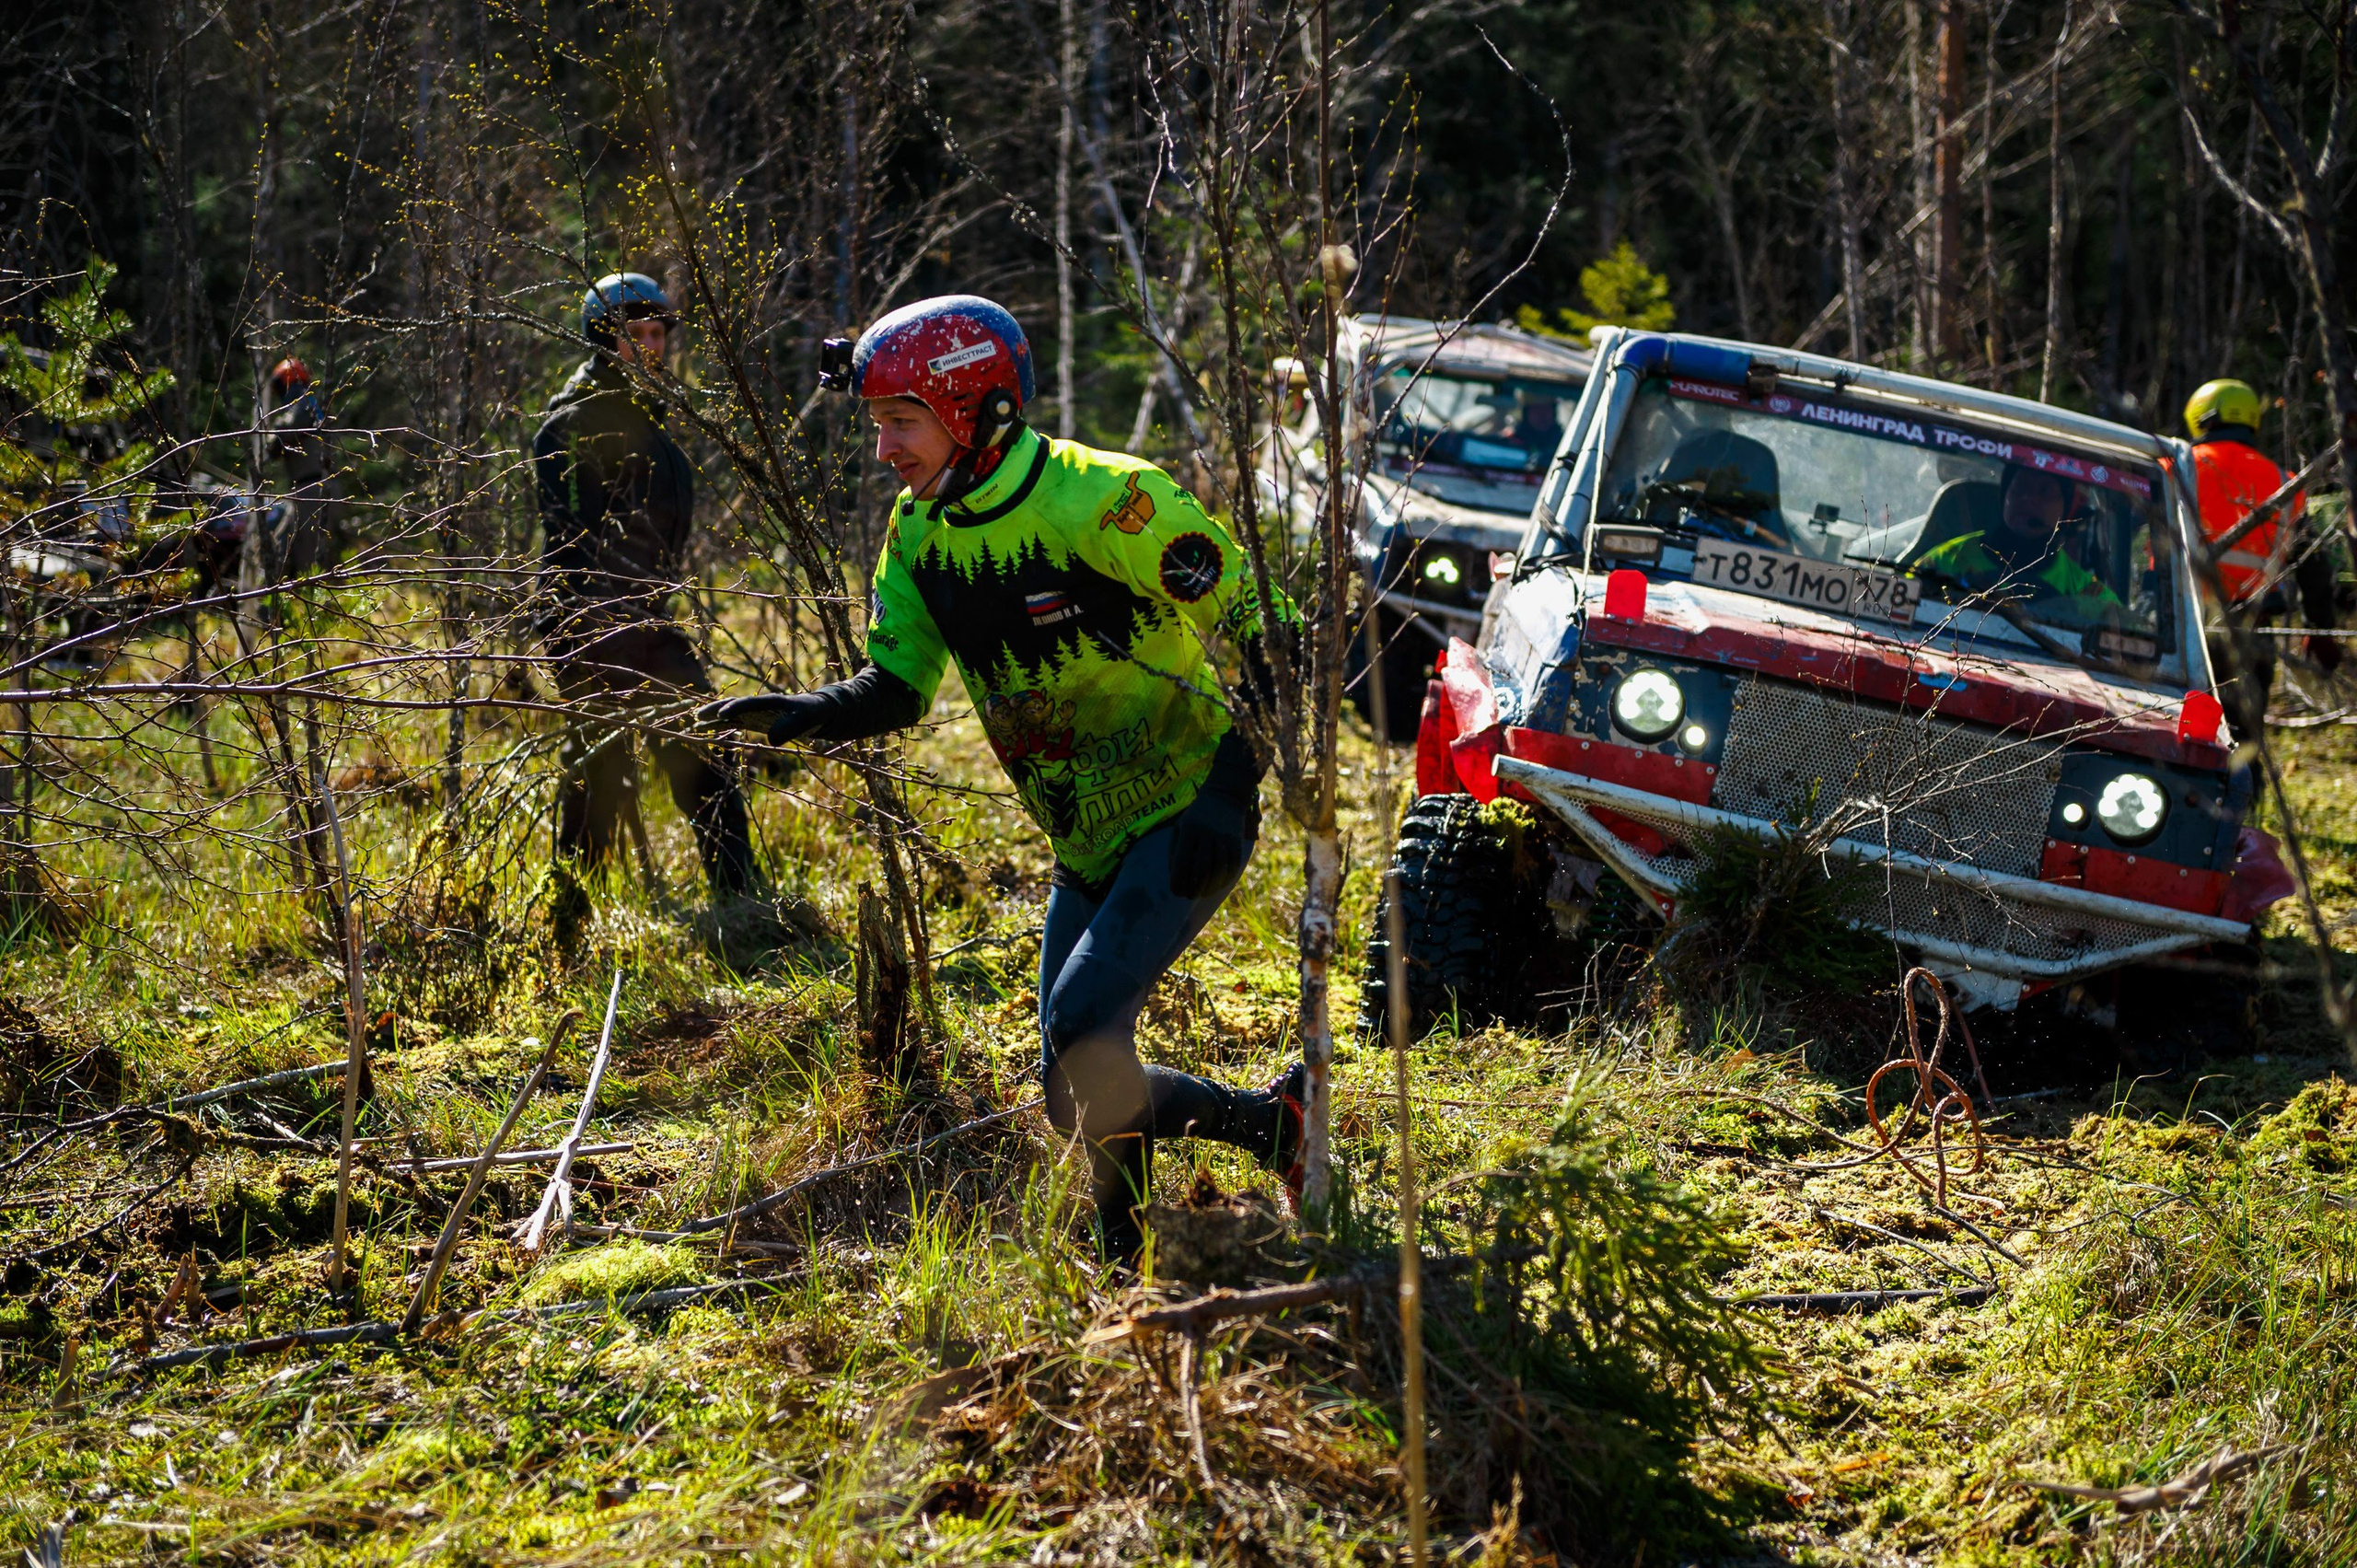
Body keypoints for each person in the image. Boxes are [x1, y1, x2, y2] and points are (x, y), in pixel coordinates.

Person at [699, 295, 1303, 1266]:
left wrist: (1230, 787)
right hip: (1083, 843)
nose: (884, 450)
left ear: (975, 409)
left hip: (1188, 810)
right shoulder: (918, 531)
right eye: (876, 424)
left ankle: (1128, 1264)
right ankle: (1274, 1128)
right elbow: (897, 688)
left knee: (1084, 1028)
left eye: (901, 422)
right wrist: (808, 712)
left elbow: (1277, 628)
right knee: (1071, 1091)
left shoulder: (1108, 498)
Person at [535, 272, 756, 943]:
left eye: (659, 334)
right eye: (637, 335)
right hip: (596, 623)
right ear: (604, 340)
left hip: (643, 617)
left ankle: (742, 909)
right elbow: (572, 539)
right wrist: (594, 632)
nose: (653, 347)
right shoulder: (575, 422)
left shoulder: (643, 409)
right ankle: (572, 924)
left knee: (699, 754)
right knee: (602, 773)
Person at [2184, 378, 2340, 736]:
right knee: (2241, 742)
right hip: (2252, 634)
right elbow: (2313, 567)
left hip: (2179, 626)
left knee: (2172, 735)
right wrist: (2321, 633)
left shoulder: (2176, 468)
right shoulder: (2285, 483)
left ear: (2199, 417)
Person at [1913, 465, 2119, 608]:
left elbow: (2121, 632)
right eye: (2020, 487)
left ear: (2067, 511)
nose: (2029, 499)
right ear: (2005, 496)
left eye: (2045, 492)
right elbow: (1902, 597)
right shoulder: (1948, 560)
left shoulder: (2085, 591)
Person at [261, 357, 343, 575]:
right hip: (308, 490)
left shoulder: (304, 404)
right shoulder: (309, 405)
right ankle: (278, 594)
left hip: (313, 489)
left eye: (280, 387)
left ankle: (313, 595)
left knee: (308, 560)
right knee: (282, 545)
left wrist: (271, 435)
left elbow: (285, 432)